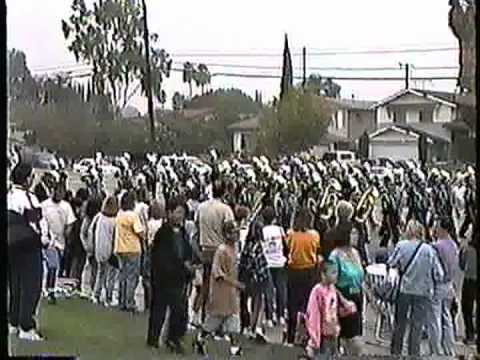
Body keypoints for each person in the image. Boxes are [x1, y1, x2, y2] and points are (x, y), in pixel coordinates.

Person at [388, 220, 445, 356]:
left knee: (400, 323)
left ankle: (396, 352)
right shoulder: (429, 250)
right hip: (423, 291)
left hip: (405, 289)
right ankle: (414, 353)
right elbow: (439, 274)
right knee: (417, 325)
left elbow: (391, 263)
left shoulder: (401, 246)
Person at [8, 163, 49, 341]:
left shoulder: (9, 195)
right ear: (26, 180)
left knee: (15, 284)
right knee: (31, 285)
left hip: (12, 247)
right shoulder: (28, 198)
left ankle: (14, 321)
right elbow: (37, 224)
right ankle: (27, 326)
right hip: (29, 246)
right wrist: (46, 241)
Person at [147, 197, 193, 353]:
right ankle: (153, 339)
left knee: (180, 310)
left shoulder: (183, 232)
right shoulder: (163, 233)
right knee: (159, 309)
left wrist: (188, 266)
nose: (180, 216)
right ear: (169, 213)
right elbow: (161, 257)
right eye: (178, 212)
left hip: (179, 278)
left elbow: (187, 252)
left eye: (182, 213)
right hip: (163, 279)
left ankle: (174, 339)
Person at [196, 221, 244, 357]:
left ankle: (234, 347)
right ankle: (201, 339)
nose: (236, 234)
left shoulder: (234, 249)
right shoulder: (221, 251)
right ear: (227, 234)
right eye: (234, 232)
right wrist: (235, 283)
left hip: (231, 293)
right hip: (220, 292)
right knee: (215, 319)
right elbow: (218, 273)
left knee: (233, 319)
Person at [195, 180, 235, 322]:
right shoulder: (226, 210)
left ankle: (200, 316)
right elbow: (229, 231)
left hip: (205, 249)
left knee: (205, 285)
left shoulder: (201, 208)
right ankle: (216, 321)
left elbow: (197, 227)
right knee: (220, 289)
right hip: (220, 250)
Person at [328, 200, 364, 355]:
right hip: (343, 297)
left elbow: (361, 275)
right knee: (349, 339)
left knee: (354, 338)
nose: (356, 236)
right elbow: (330, 281)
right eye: (353, 233)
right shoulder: (335, 255)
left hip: (357, 297)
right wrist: (342, 299)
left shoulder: (355, 253)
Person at [304, 260, 357, 358]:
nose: (336, 275)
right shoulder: (317, 291)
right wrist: (314, 339)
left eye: (336, 272)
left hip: (334, 333)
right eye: (333, 272)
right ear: (323, 274)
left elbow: (338, 309)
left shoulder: (333, 289)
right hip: (322, 337)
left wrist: (348, 308)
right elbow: (313, 315)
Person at [285, 208, 321, 345]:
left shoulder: (290, 234)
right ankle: (306, 336)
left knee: (292, 305)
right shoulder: (314, 235)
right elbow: (316, 250)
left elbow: (287, 248)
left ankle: (290, 336)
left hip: (293, 271)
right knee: (307, 305)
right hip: (309, 272)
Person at [427, 216, 459, 356]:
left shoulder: (436, 246)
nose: (435, 229)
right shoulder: (453, 244)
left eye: (437, 226)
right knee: (447, 317)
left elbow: (432, 266)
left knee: (435, 318)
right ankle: (449, 348)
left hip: (438, 285)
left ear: (441, 228)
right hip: (449, 285)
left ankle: (435, 349)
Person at [40, 182, 76, 304]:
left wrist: (67, 231)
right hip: (48, 240)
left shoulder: (66, 207)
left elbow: (70, 222)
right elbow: (40, 220)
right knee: (52, 265)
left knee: (55, 267)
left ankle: (50, 288)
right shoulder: (45, 205)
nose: (59, 194)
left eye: (61, 192)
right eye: (57, 191)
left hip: (61, 241)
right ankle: (49, 290)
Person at [238, 219, 270, 341]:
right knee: (257, 303)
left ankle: (245, 325)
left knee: (244, 302)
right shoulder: (258, 246)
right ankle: (254, 327)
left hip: (245, 276)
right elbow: (259, 264)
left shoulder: (247, 245)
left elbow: (243, 262)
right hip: (257, 277)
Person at [114, 191, 144, 312]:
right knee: (132, 277)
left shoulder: (119, 215)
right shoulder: (133, 216)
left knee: (123, 276)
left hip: (120, 248)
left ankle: (121, 300)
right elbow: (139, 231)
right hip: (132, 248)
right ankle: (129, 302)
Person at [261, 206, 288, 327]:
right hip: (280, 262)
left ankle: (269, 317)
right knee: (281, 289)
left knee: (268, 290)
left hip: (267, 262)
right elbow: (286, 245)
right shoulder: (280, 230)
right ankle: (281, 315)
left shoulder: (262, 230)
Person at [92, 196, 119, 306]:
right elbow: (114, 237)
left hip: (99, 248)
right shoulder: (114, 221)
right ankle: (108, 297)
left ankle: (96, 294)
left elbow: (92, 230)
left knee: (101, 272)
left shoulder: (99, 217)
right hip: (109, 249)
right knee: (111, 275)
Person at [79, 196, 103, 298]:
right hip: (93, 247)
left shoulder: (97, 218)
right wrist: (87, 246)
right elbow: (83, 233)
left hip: (95, 247)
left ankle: (94, 290)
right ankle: (93, 290)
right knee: (94, 270)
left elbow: (82, 233)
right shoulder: (88, 219)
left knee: (95, 270)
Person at [143, 200, 165, 311]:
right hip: (159, 251)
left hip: (150, 249)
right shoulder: (162, 224)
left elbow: (145, 237)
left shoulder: (149, 223)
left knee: (147, 277)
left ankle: (148, 301)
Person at [459, 233, 477, 345]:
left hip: (470, 280)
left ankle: (470, 334)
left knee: (467, 308)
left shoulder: (467, 249)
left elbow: (461, 265)